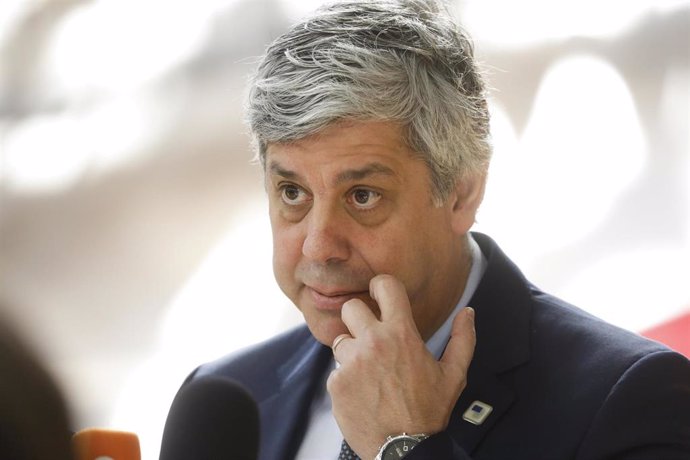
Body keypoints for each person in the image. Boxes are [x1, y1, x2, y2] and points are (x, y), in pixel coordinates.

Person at [162, 0, 690, 458]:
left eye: (362, 196)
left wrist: (405, 446)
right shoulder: (224, 398)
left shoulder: (633, 397)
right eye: (292, 194)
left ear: (462, 193)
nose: (319, 245)